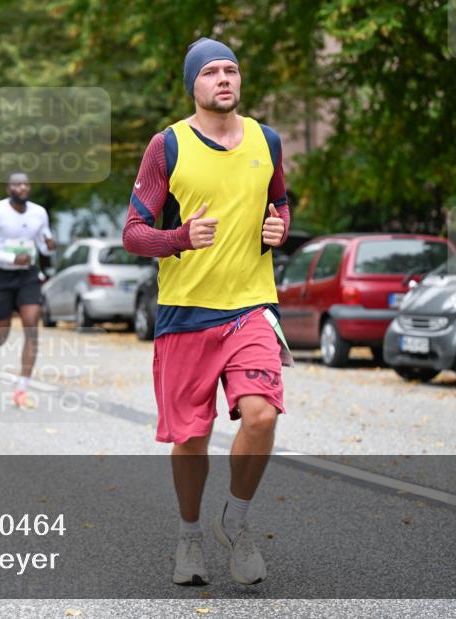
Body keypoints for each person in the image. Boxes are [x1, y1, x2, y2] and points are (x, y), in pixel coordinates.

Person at [122, 37, 290, 587]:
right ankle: (189, 535)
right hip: (186, 314)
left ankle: (236, 523)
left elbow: (279, 202)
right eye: (212, 72)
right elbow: (134, 232)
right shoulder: (166, 146)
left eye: (232, 70)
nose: (224, 79)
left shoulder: (267, 141)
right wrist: (179, 237)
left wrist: (278, 228)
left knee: (261, 415)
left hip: (249, 307)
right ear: (193, 84)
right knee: (191, 440)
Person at [0, 172, 55, 408]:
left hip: (28, 274)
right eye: (17, 184)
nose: (22, 187)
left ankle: (22, 388)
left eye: (26, 184)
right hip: (0, 275)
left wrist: (48, 247)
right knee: (2, 333)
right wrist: (10, 258)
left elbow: (43, 245)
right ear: (8, 188)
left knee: (31, 324)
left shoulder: (39, 213)